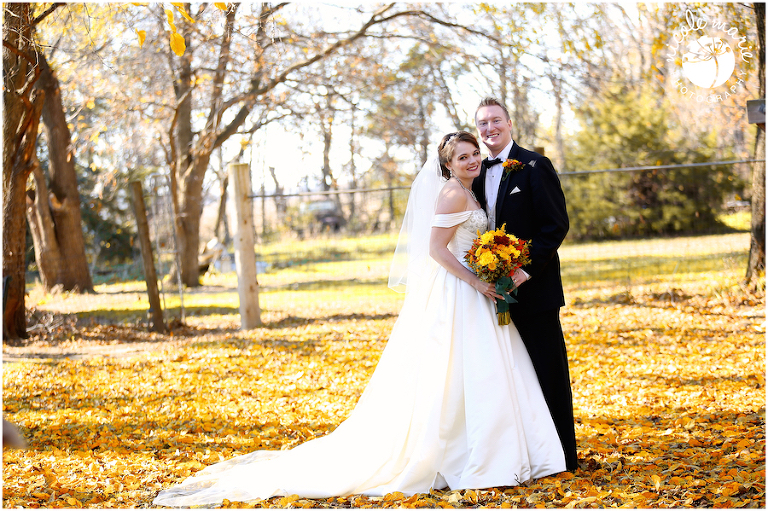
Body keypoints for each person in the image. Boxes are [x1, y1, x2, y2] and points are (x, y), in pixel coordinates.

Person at [153, 131, 566, 507]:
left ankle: (497, 449)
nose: (473, 159)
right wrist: (476, 281)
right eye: (462, 156)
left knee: (486, 372)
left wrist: (490, 268)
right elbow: (436, 251)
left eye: (474, 153)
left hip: (477, 287)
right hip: (459, 292)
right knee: (455, 370)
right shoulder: (452, 194)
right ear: (448, 165)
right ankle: (464, 453)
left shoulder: (471, 192)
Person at [472, 97, 578, 471]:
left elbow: (555, 226)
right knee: (508, 378)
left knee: (548, 373)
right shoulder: (475, 172)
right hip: (490, 295)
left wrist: (524, 270)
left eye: (495, 121)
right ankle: (523, 455)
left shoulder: (535, 165)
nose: (489, 129)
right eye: (482, 123)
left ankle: (564, 457)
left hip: (535, 291)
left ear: (510, 123)